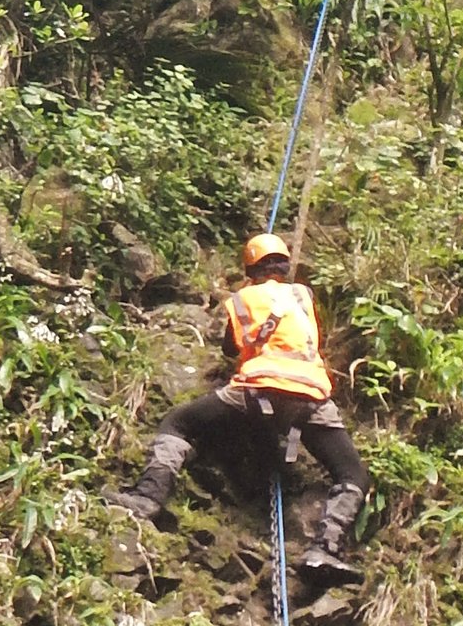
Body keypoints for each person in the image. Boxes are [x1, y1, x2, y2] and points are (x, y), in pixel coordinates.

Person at [111, 232, 366, 579]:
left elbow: (231, 349)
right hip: (311, 395)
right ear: (285, 265)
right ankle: (325, 549)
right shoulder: (303, 296)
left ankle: (148, 497)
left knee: (178, 424)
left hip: (256, 389)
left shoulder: (242, 299)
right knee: (352, 473)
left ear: (250, 269)